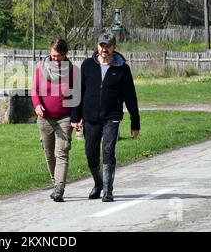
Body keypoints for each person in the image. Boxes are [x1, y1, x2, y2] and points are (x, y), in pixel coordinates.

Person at [71, 33, 140, 202]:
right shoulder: (87, 65)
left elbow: (131, 97)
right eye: (102, 45)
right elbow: (78, 92)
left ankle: (108, 190)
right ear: (97, 47)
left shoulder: (122, 68)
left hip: (112, 116)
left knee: (108, 150)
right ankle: (98, 183)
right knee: (90, 153)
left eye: (108, 46)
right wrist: (76, 116)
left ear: (114, 48)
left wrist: (135, 122)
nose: (104, 49)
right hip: (90, 117)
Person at [31, 39, 74, 202]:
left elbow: (77, 96)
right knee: (49, 154)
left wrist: (77, 117)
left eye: (59, 56)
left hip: (65, 117)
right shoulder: (41, 68)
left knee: (61, 153)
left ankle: (59, 189)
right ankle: (54, 182)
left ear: (65, 54)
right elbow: (35, 90)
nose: (55, 58)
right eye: (53, 55)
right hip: (44, 119)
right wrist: (37, 105)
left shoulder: (72, 71)